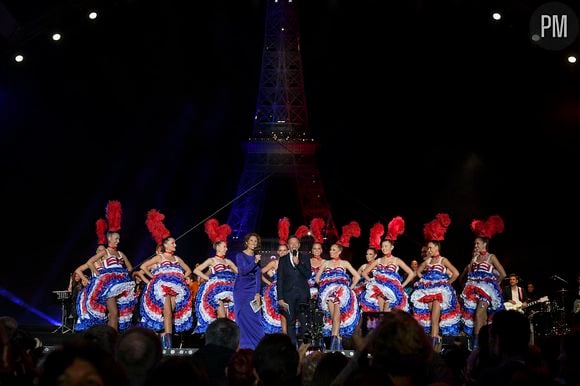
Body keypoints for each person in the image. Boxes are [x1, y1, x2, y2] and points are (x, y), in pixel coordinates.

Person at [141, 209, 193, 349]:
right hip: (162, 286)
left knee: (171, 311)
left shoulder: (177, 258)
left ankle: (165, 338)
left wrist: (183, 276)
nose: (175, 245)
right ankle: (168, 343)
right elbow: (144, 267)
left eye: (174, 243)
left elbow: (188, 270)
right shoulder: (160, 257)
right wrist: (154, 278)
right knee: (168, 310)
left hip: (176, 286)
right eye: (172, 243)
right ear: (165, 245)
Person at [81, 201, 136, 331]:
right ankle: (111, 339)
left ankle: (113, 337)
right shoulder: (105, 252)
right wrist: (100, 275)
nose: (118, 241)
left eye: (119, 239)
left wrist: (124, 270)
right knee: (114, 313)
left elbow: (130, 268)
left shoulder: (120, 253)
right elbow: (90, 262)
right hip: (109, 284)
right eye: (116, 239)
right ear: (109, 239)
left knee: (119, 314)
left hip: (121, 283)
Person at [411, 214, 461, 351]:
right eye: (428, 248)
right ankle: (430, 345)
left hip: (439, 292)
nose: (429, 250)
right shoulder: (428, 261)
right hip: (427, 291)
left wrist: (447, 283)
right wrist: (424, 279)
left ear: (437, 248)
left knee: (434, 319)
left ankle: (433, 349)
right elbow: (418, 272)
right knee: (427, 319)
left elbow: (456, 273)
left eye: (431, 248)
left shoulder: (442, 260)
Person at [460, 215, 507, 350]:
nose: (475, 245)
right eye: (475, 244)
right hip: (473, 290)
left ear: (485, 243)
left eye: (478, 243)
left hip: (488, 291)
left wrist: (493, 286)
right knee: (476, 316)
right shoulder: (474, 258)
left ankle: (477, 346)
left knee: (480, 313)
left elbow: (503, 274)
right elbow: (467, 275)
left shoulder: (491, 257)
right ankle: (482, 344)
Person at [361, 216, 414, 313]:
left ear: (392, 247)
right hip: (379, 289)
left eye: (386, 246)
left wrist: (402, 285)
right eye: (382, 246)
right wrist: (372, 281)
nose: (384, 248)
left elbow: (411, 273)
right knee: (380, 313)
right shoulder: (378, 260)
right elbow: (364, 273)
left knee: (387, 312)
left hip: (392, 290)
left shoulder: (396, 260)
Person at [194, 219, 237, 333]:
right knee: (222, 316)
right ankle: (221, 339)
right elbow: (197, 270)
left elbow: (239, 272)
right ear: (218, 248)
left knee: (229, 316)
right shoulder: (212, 260)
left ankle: (226, 339)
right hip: (217, 289)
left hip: (230, 289)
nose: (226, 248)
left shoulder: (228, 261)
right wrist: (210, 279)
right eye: (224, 246)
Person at [315, 242, 360, 350]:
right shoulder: (326, 263)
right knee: (333, 315)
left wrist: (350, 288)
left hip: (341, 290)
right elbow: (317, 278)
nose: (331, 251)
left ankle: (334, 341)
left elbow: (357, 276)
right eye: (330, 249)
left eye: (334, 250)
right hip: (328, 291)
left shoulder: (344, 263)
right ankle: (336, 339)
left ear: (339, 251)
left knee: (336, 314)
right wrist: (323, 285)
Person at [277, 235, 311, 346]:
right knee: (290, 322)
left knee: (304, 321)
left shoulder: (305, 257)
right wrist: (280, 298)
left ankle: (305, 346)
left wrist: (298, 264)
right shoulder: (283, 259)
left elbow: (308, 275)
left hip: (302, 295)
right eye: (291, 243)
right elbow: (280, 279)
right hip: (288, 295)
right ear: (288, 246)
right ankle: (293, 346)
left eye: (296, 243)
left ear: (299, 245)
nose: (294, 245)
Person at [233, 232, 264, 349]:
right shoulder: (240, 255)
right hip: (241, 290)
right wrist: (254, 262)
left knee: (255, 317)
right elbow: (243, 271)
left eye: (255, 241)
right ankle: (243, 345)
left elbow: (258, 276)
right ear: (247, 242)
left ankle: (258, 345)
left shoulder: (257, 257)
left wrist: (257, 293)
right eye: (251, 241)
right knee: (241, 316)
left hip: (252, 290)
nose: (253, 243)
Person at [261, 244, 288, 334]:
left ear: (288, 251)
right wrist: (269, 283)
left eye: (284, 250)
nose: (282, 252)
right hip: (275, 292)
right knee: (278, 313)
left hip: (288, 290)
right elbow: (260, 273)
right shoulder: (274, 263)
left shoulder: (291, 263)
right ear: (278, 252)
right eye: (280, 250)